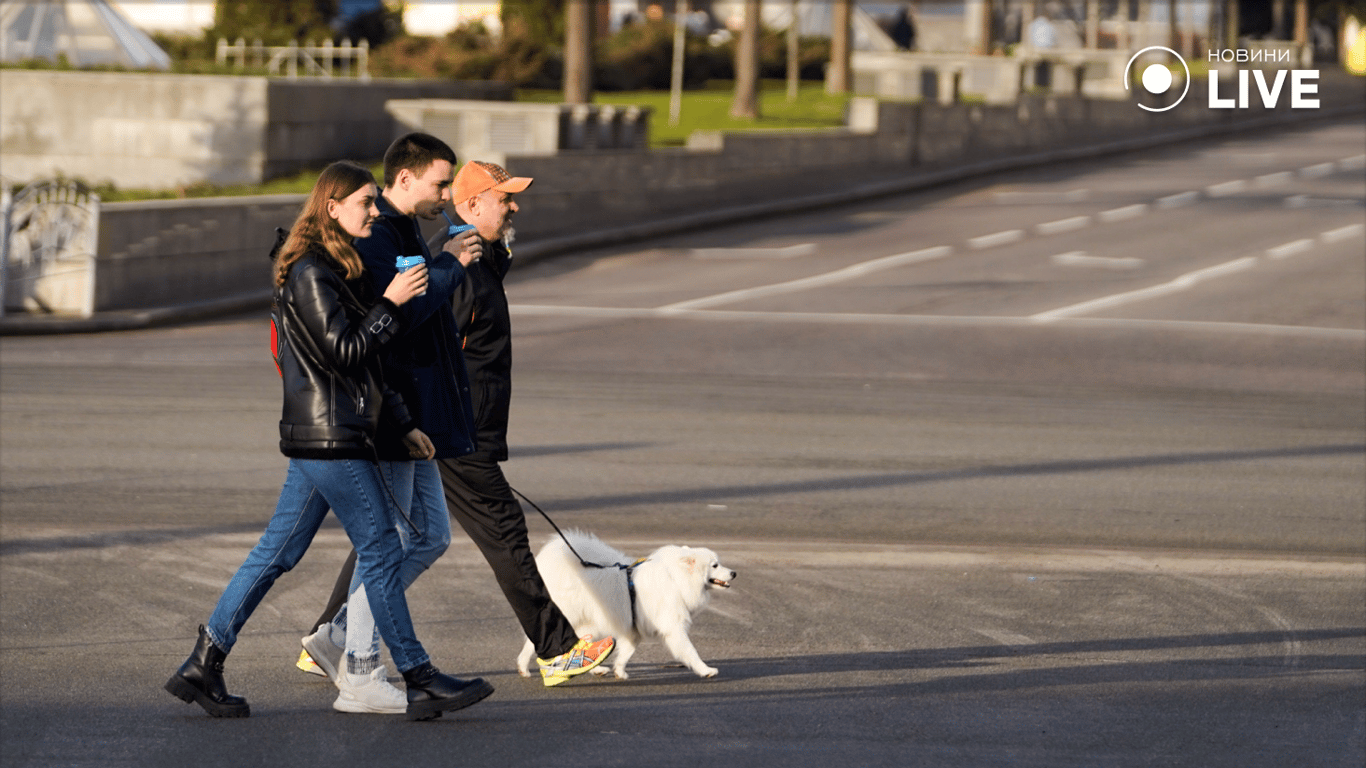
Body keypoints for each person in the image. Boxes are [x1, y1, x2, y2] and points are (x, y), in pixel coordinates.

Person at [165, 160, 492, 721]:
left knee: (278, 552)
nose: (373, 210)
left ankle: (204, 661)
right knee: (384, 550)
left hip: (329, 433)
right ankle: (417, 676)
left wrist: (403, 421)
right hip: (329, 437)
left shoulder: (342, 267)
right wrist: (390, 303)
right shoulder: (309, 272)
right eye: (365, 202)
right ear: (332, 208)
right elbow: (345, 353)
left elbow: (374, 366)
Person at [300, 158, 614, 689]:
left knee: (391, 534)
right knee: (502, 531)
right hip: (453, 429)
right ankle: (556, 650)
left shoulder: (479, 258)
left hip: (455, 426)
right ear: (470, 206)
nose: (514, 206)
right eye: (504, 198)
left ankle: (327, 636)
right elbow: (423, 340)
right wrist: (428, 420)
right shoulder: (457, 267)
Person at [297, 134, 481, 714]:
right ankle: (358, 662)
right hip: (389, 415)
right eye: (439, 184)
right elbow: (392, 326)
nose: (445, 195)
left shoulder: (400, 233)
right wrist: (450, 265)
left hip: (411, 414)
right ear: (405, 179)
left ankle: (340, 635)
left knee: (428, 537)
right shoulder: (378, 237)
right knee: (391, 541)